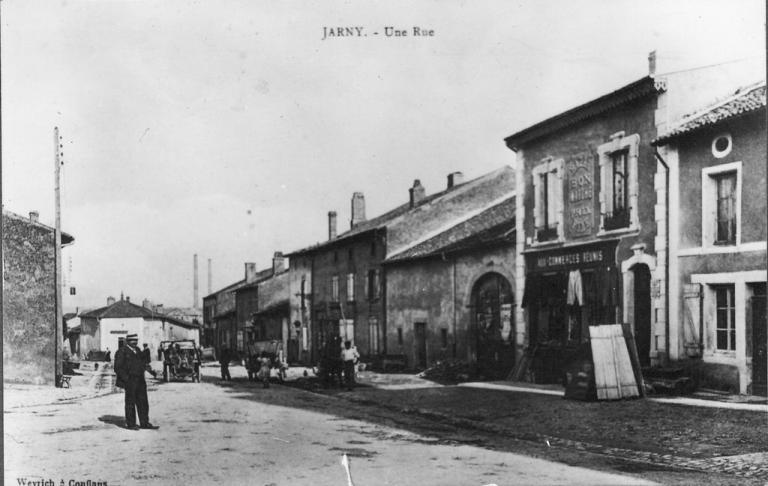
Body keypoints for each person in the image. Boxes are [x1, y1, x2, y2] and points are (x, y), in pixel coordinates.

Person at [113, 334, 159, 430]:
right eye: (132, 340)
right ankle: (131, 424)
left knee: (143, 402)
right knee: (130, 402)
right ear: (127, 341)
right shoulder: (122, 351)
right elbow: (118, 368)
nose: (135, 342)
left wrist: (151, 371)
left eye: (136, 340)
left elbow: (143, 363)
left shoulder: (138, 350)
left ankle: (144, 423)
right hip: (130, 381)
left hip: (140, 380)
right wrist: (126, 379)